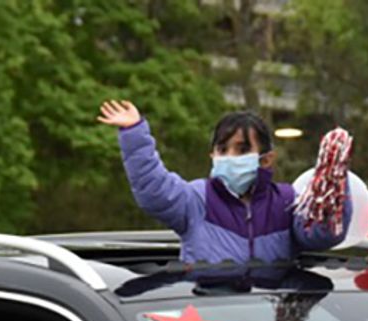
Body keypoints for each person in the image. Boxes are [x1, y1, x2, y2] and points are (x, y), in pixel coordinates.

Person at [98, 100, 349, 265]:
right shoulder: (197, 199)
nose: (230, 157)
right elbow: (154, 190)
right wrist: (134, 133)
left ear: (266, 159)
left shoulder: (287, 201)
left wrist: (333, 185)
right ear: (212, 156)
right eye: (222, 149)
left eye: (241, 150)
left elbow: (322, 237)